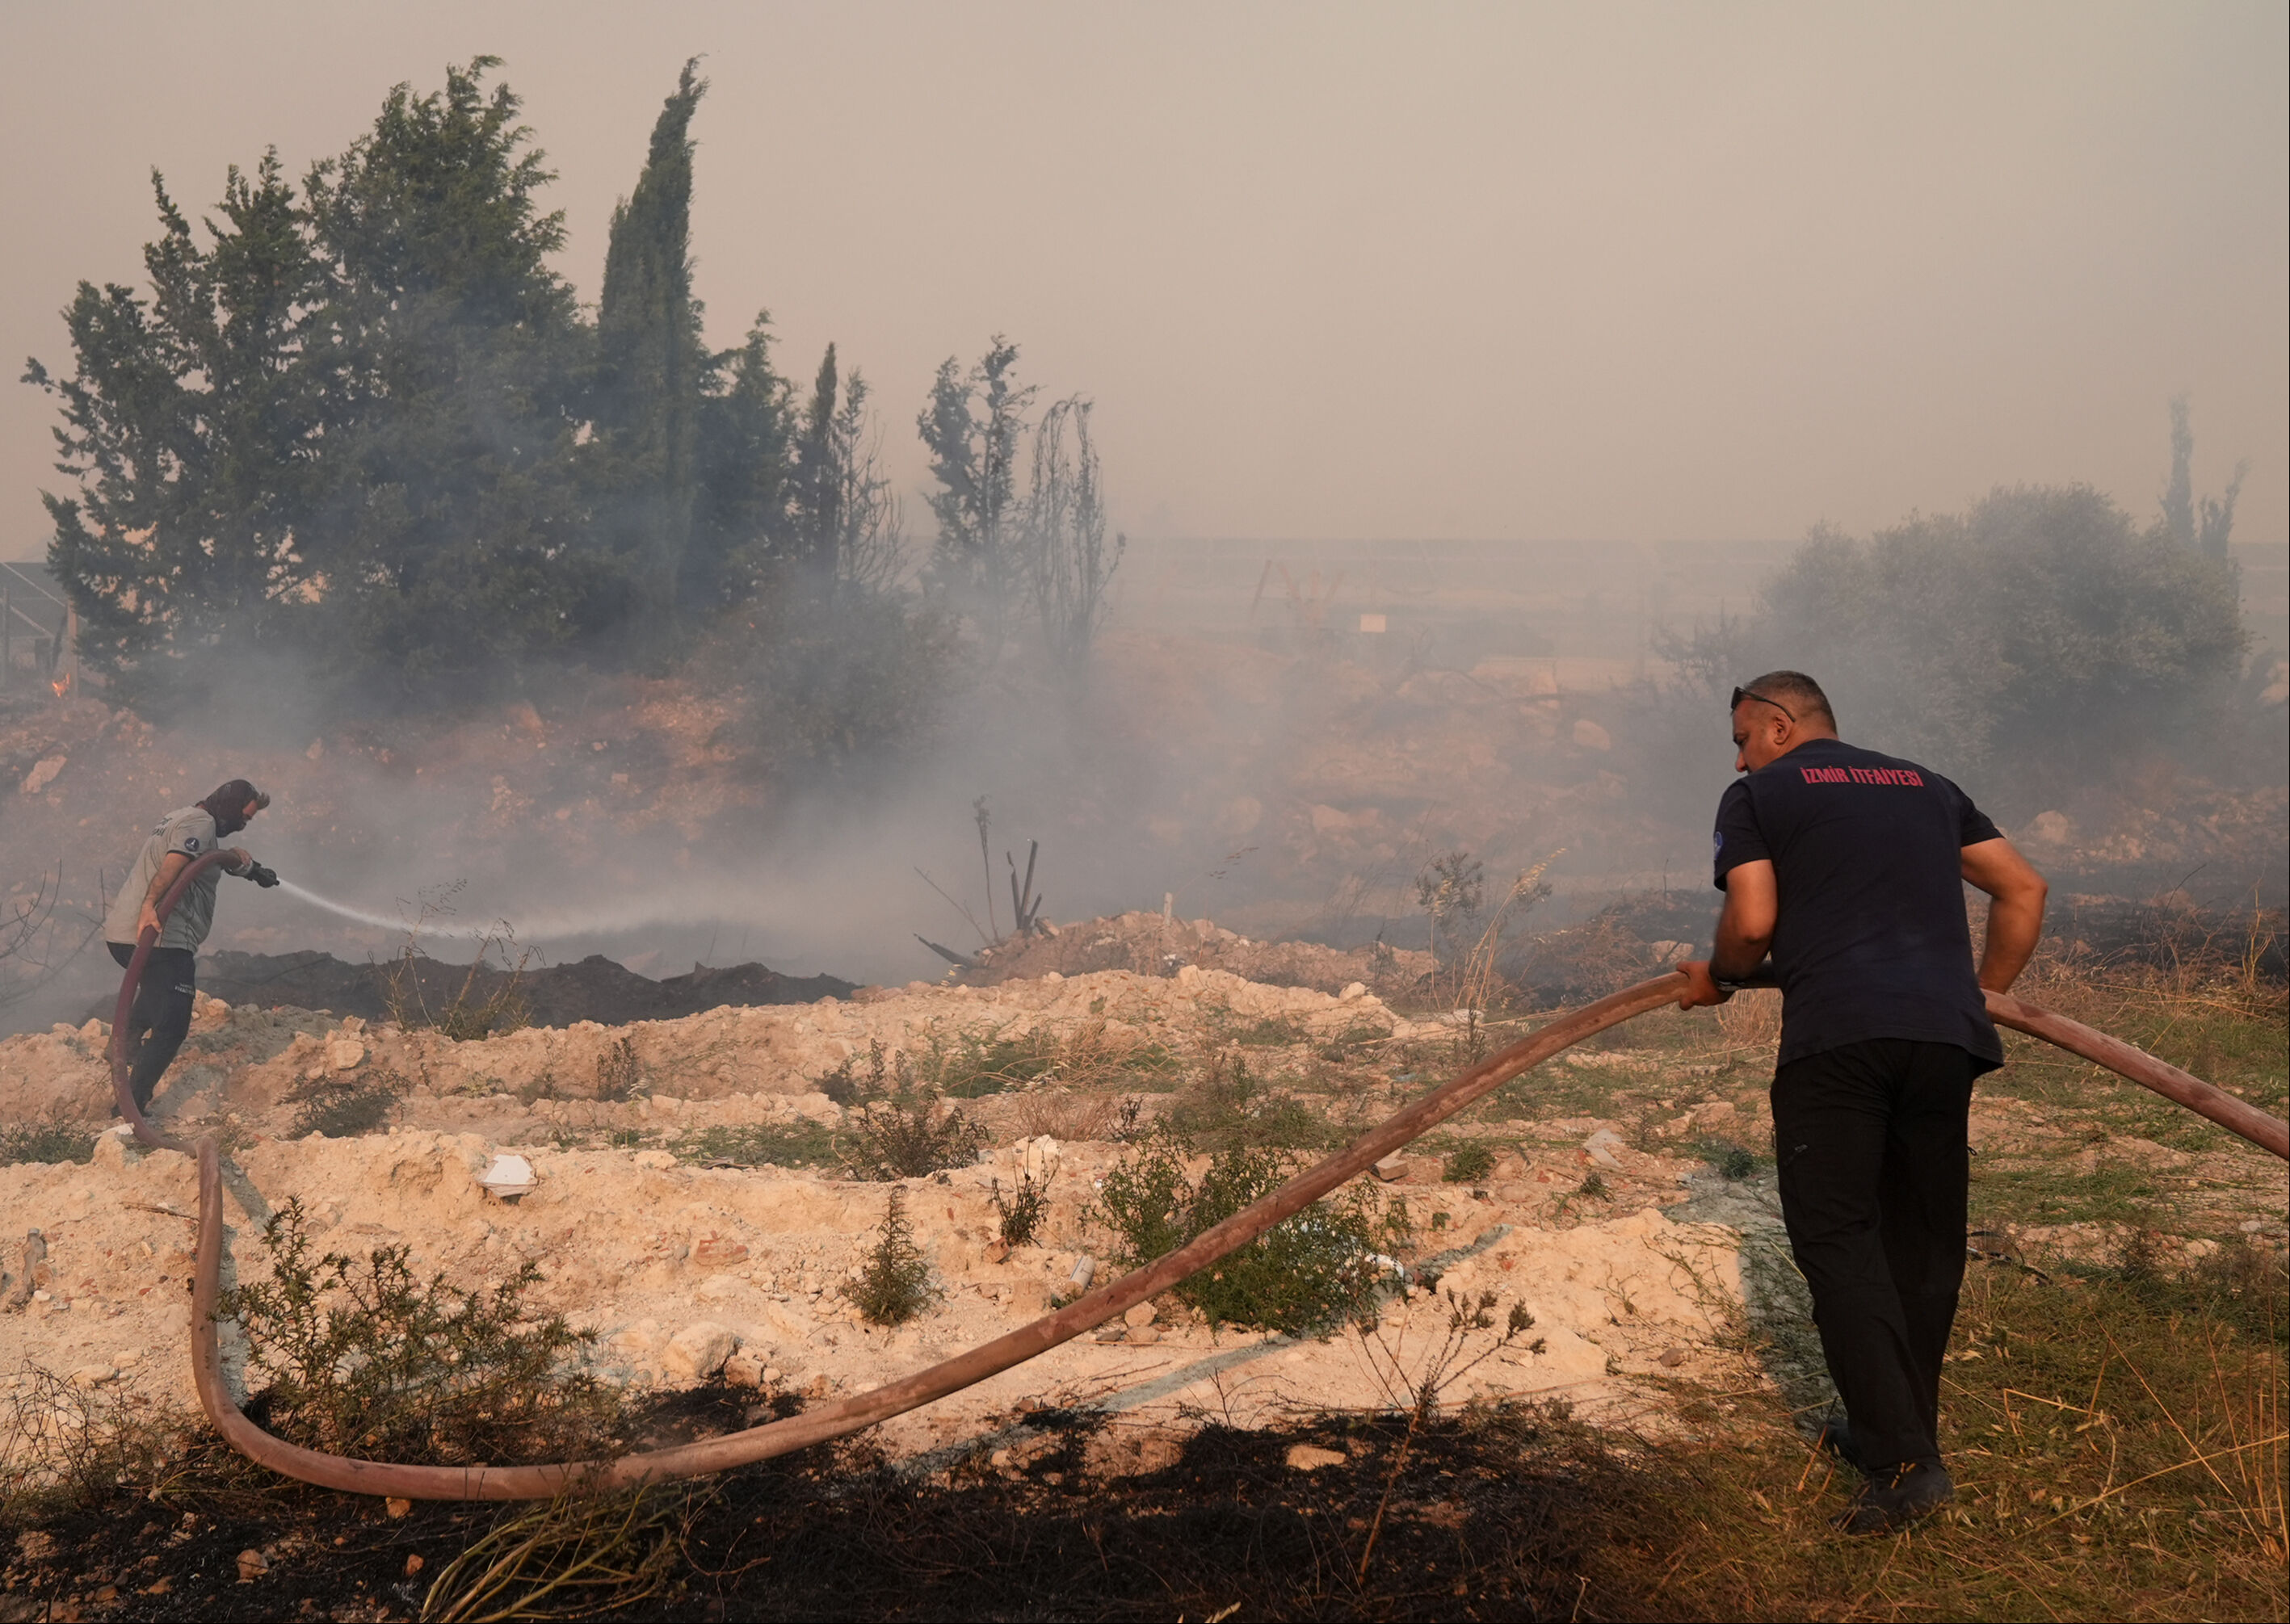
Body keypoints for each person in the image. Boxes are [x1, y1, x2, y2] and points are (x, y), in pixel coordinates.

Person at [1675, 672, 2047, 1534]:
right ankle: (1896, 1429)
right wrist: (1974, 993)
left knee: (1838, 1238)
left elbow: (1755, 918)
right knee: (1922, 1242)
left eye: (1741, 736)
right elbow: (2024, 890)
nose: (1736, 755)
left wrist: (1722, 976)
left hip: (1838, 1045)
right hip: (1942, 1041)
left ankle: (1906, 1467)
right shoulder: (1924, 784)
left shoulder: (1759, 794)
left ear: (1778, 724)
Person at [102, 778, 279, 1114]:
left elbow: (203, 859)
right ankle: (130, 1108)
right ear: (229, 807)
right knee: (172, 1025)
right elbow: (176, 863)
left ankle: (124, 1042)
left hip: (125, 935)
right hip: (159, 936)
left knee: (157, 992)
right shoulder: (202, 823)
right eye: (244, 817)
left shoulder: (183, 817)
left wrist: (250, 869)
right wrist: (150, 904)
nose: (242, 825)